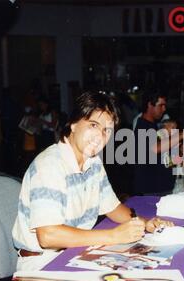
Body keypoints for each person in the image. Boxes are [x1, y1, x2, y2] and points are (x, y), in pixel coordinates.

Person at [12, 91, 174, 271]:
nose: (100, 136)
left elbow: (112, 207)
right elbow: (48, 236)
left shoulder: (93, 163)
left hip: (73, 254)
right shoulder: (50, 165)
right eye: (93, 125)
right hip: (41, 264)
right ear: (73, 124)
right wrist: (112, 236)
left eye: (107, 130)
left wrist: (144, 223)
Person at [133, 90, 184, 195]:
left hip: (162, 189)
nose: (164, 109)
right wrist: (181, 135)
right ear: (150, 105)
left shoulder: (153, 126)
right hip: (151, 192)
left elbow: (164, 159)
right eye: (161, 105)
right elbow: (155, 148)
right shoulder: (143, 126)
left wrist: (180, 152)